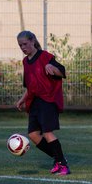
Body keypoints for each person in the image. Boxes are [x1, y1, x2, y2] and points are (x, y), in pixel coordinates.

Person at [16, 30, 70, 175]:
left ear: (33, 41)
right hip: (34, 102)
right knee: (33, 135)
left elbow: (62, 71)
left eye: (25, 44)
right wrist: (22, 100)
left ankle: (63, 165)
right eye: (20, 45)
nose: (23, 47)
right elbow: (30, 86)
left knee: (47, 133)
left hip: (48, 100)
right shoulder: (25, 62)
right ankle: (59, 159)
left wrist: (53, 69)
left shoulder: (45, 56)